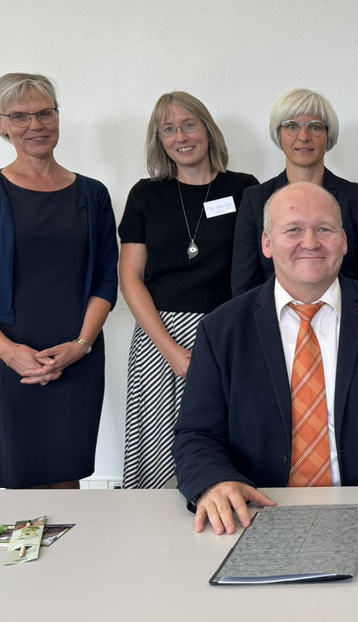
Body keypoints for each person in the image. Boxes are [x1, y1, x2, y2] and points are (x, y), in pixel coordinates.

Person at [173, 182, 358, 534]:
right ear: (266, 243)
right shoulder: (222, 329)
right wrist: (214, 482)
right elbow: (197, 433)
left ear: (343, 241)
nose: (310, 242)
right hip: (256, 512)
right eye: (293, 230)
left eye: (324, 229)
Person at [118, 92, 258, 489]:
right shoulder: (145, 195)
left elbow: (262, 270)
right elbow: (131, 279)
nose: (180, 136)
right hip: (160, 337)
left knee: (231, 440)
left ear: (208, 130)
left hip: (231, 332)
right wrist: (172, 350)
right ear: (159, 140)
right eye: (168, 129)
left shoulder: (246, 189)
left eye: (189, 124)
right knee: (160, 448)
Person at [0, 73, 118, 489]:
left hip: (76, 356)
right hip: (7, 358)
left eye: (45, 113)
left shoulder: (93, 193)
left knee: (68, 482)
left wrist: (80, 347)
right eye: (19, 116)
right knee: (15, 482)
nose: (35, 125)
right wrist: (11, 353)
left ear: (58, 119)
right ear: (2, 125)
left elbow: (107, 280)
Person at [231, 88, 358, 295]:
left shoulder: (355, 197)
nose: (303, 136)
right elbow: (245, 285)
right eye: (292, 126)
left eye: (315, 127)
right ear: (279, 134)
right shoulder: (254, 200)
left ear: (327, 135)